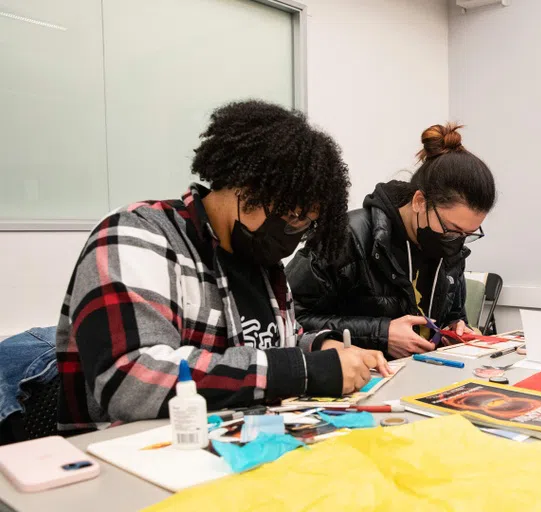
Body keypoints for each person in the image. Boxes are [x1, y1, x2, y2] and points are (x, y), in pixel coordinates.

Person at [56, 100, 390, 433]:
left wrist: (318, 347)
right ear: (244, 185)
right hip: (134, 456)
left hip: (244, 444)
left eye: (305, 224)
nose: (293, 234)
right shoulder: (136, 236)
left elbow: (268, 346)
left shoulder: (262, 263)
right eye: (290, 217)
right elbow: (131, 378)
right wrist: (304, 370)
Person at [287, 123, 496, 360]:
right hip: (357, 378)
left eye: (467, 234)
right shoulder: (348, 236)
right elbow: (290, 320)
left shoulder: (449, 248)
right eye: (451, 229)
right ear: (419, 201)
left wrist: (456, 328)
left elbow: (453, 315)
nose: (457, 242)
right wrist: (381, 334)